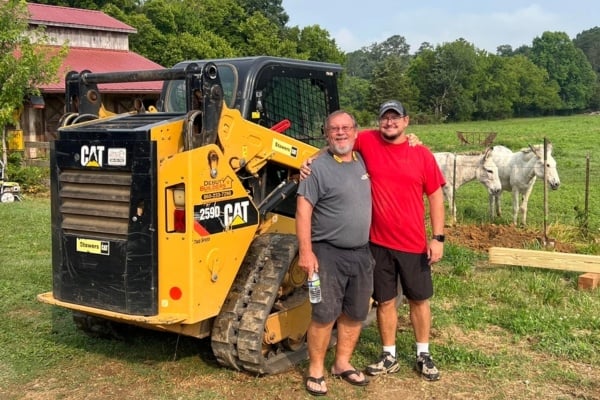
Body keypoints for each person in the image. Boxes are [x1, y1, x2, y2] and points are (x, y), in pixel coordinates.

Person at [301, 100, 445, 381]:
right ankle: (388, 354)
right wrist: (309, 160)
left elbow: (436, 196)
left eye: (396, 118)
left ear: (406, 121)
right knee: (386, 301)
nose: (390, 123)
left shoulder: (421, 154)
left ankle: (423, 353)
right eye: (385, 118)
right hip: (377, 243)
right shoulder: (366, 141)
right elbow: (335, 144)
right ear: (378, 122)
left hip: (413, 242)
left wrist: (438, 237)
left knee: (418, 299)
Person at [296, 110, 374, 396]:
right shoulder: (316, 168)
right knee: (325, 313)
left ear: (355, 131)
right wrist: (306, 252)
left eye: (345, 128)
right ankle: (316, 369)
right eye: (333, 129)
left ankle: (342, 363)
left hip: (362, 252)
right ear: (326, 134)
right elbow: (303, 211)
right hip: (328, 253)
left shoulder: (362, 159)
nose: (340, 133)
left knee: (355, 313)